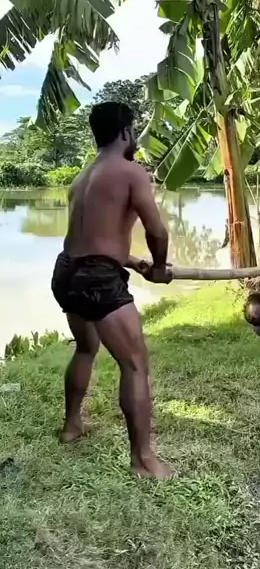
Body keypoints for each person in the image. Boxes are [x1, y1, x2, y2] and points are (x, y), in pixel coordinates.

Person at [51, 101, 173, 480]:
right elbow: (157, 231)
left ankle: (72, 426)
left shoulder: (82, 177)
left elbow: (93, 237)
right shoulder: (132, 171)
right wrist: (159, 267)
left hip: (66, 272)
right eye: (133, 130)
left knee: (86, 347)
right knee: (135, 364)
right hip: (98, 279)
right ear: (125, 133)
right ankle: (143, 461)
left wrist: (130, 260)